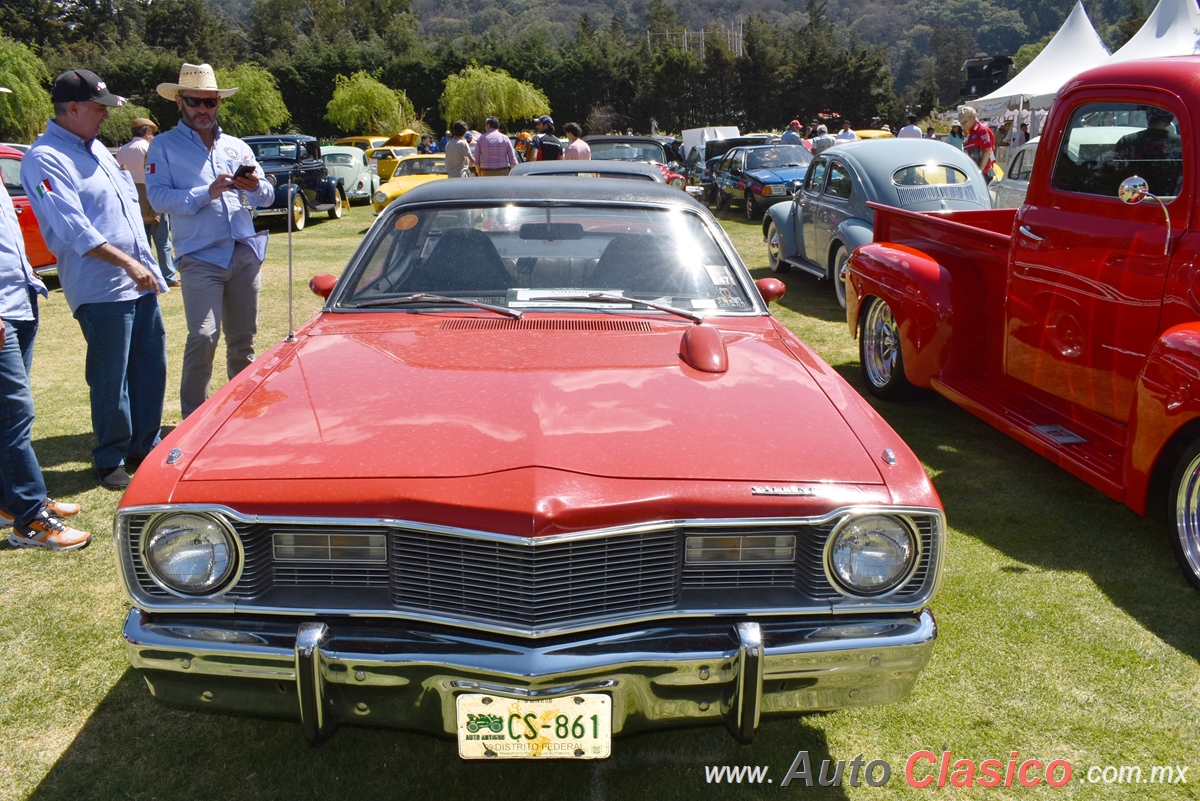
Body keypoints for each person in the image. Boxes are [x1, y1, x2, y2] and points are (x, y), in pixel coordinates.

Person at [21, 69, 168, 490]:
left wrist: (147, 265)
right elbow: (74, 229)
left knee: (149, 365)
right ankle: (110, 457)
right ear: (73, 108)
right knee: (110, 375)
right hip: (101, 287)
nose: (106, 116)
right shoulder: (45, 157)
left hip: (136, 279)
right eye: (99, 108)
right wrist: (128, 263)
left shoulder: (99, 149)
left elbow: (125, 210)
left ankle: (145, 444)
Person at [145, 63, 274, 420]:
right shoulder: (163, 147)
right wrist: (207, 192)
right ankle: (194, 421)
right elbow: (158, 200)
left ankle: (244, 415)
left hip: (243, 251)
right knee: (203, 337)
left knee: (243, 341)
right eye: (194, 101)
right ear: (179, 102)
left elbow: (266, 195)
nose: (203, 109)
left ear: (218, 103)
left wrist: (256, 187)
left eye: (210, 102)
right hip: (200, 257)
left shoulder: (236, 146)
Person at [0, 103, 91, 548]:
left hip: (18, 298)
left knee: (7, 413)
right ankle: (30, 519)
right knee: (15, 414)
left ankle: (10, 500)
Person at [116, 117, 178, 287]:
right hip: (151, 194)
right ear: (147, 132)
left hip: (132, 196)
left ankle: (146, 273)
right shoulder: (149, 148)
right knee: (163, 239)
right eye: (152, 132)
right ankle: (168, 275)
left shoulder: (122, 150)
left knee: (142, 239)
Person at [959, 106, 996, 183]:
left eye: (964, 122)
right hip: (973, 172)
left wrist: (979, 172)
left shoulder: (982, 130)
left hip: (983, 173)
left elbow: (987, 151)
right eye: (961, 123)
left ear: (973, 117)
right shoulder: (970, 132)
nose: (963, 125)